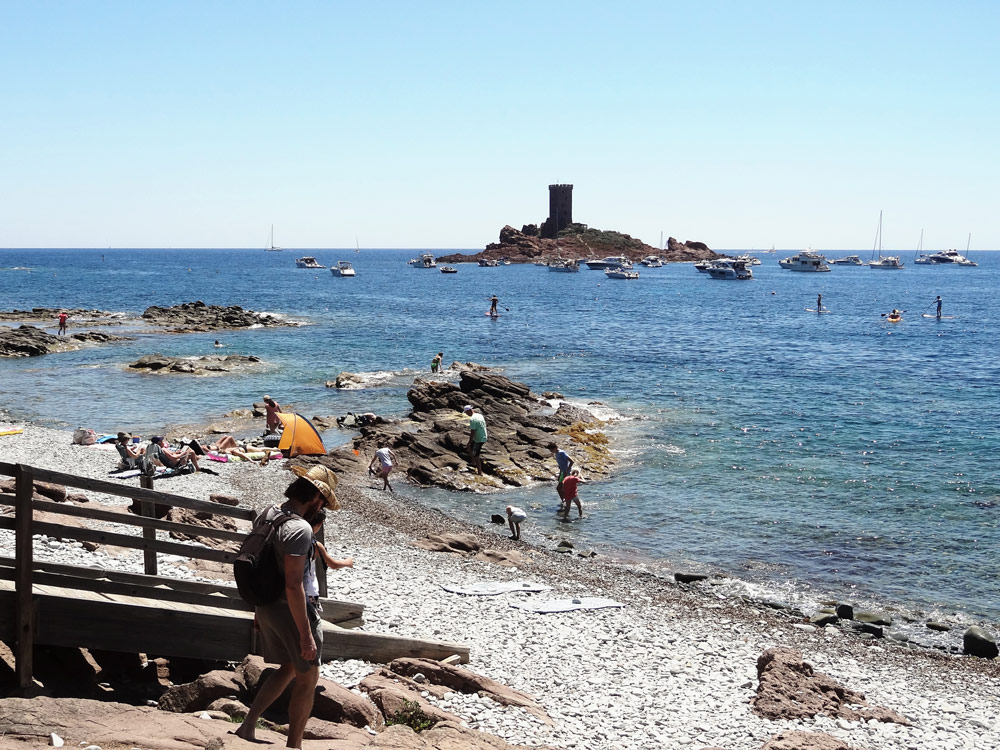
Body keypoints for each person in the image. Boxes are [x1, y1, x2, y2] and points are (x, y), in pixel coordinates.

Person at [235, 465, 340, 748]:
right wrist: (306, 636)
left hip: (266, 604)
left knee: (290, 667)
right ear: (316, 497)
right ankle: (294, 745)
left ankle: (247, 726)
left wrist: (258, 609)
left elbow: (261, 561)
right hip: (289, 610)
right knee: (308, 678)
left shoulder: (269, 512)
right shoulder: (300, 528)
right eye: (322, 501)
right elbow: (294, 586)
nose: (321, 507)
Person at [303, 509, 354, 604]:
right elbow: (333, 564)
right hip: (309, 591)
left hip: (293, 589)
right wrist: (347, 562)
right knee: (311, 616)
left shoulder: (294, 541)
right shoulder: (316, 545)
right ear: (320, 524)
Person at [464, 405, 487, 475]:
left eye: (466, 412)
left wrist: (470, 441)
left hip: (479, 438)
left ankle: (480, 472)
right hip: (483, 435)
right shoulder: (479, 415)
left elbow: (472, 432)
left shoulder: (472, 419)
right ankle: (473, 463)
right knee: (469, 447)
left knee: (476, 454)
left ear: (469, 411)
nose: (466, 414)